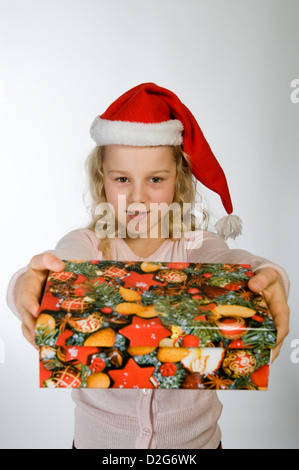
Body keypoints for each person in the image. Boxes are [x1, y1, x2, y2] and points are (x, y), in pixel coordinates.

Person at [6, 83, 290, 449]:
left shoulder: (195, 245)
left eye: (155, 179)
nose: (138, 196)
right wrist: (37, 282)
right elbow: (66, 259)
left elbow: (228, 262)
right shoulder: (92, 244)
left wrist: (267, 278)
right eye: (122, 179)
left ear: (179, 180)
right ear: (102, 180)